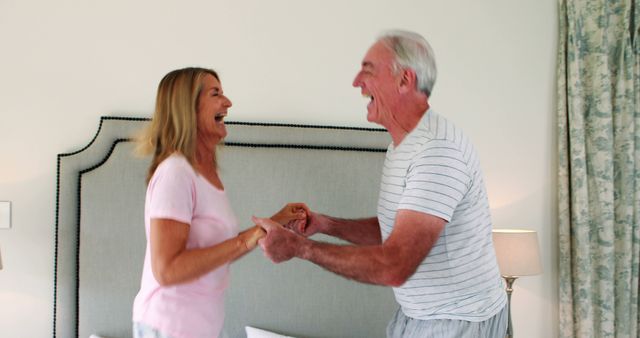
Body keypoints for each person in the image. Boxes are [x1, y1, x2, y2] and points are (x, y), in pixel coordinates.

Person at [253, 30, 508, 338]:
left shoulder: (437, 152)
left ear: (405, 81)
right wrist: (326, 224)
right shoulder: (402, 145)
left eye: (369, 71)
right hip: (418, 316)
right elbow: (396, 233)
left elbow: (395, 265)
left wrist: (300, 248)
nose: (356, 81)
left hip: (458, 321)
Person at [132, 67, 306, 338]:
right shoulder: (175, 172)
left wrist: (276, 221)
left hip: (199, 328)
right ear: (187, 107)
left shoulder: (203, 173)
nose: (228, 102)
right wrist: (246, 238)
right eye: (216, 94)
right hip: (168, 326)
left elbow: (212, 251)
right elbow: (166, 270)